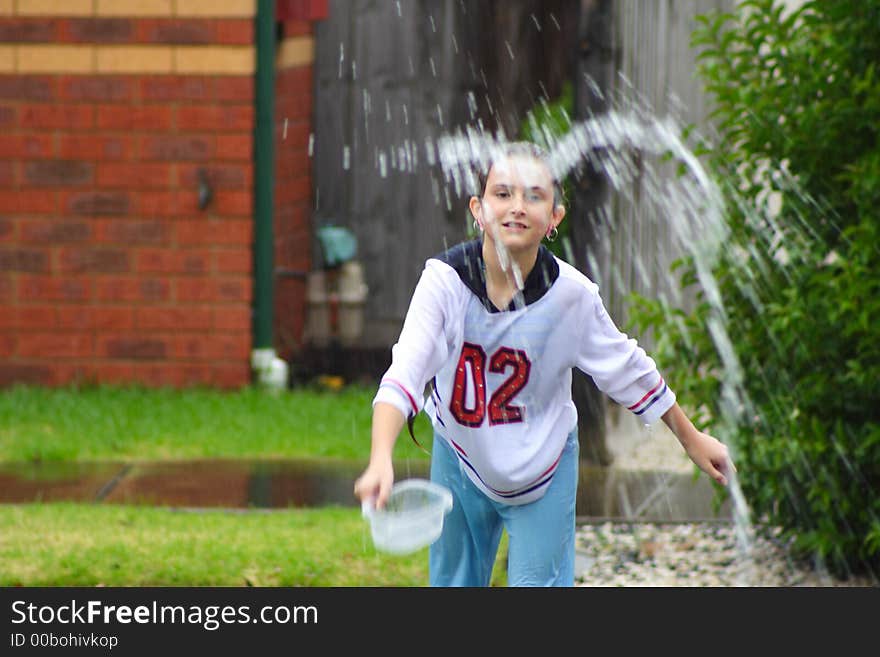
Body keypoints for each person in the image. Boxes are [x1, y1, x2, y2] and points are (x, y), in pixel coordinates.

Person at [353, 141, 732, 587]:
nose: (517, 207)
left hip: (543, 469)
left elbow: (629, 368)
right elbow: (406, 372)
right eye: (502, 193)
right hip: (460, 455)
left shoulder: (571, 296)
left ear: (554, 217)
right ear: (478, 209)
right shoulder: (445, 282)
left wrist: (690, 439)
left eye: (534, 195)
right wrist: (380, 457)